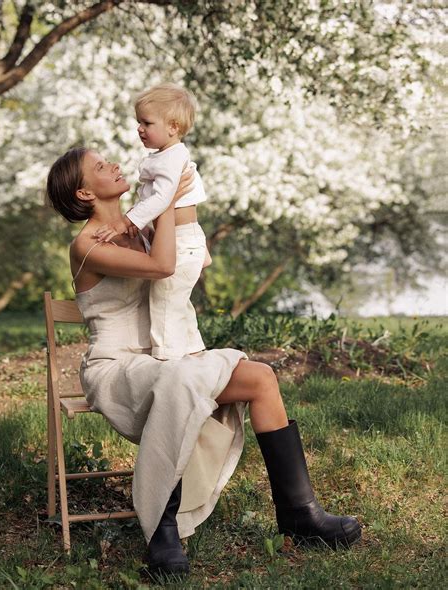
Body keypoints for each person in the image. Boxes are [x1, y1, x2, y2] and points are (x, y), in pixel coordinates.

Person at [46, 147, 361, 577]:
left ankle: (299, 515)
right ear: (84, 192)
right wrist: (169, 198)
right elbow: (163, 266)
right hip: (116, 368)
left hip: (167, 358)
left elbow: (199, 259)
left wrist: (172, 206)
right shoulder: (86, 244)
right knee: (179, 378)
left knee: (261, 378)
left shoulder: (136, 229)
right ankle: (162, 529)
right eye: (101, 167)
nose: (115, 165)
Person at [93, 83, 211, 361]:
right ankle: (195, 355)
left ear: (172, 127)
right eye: (138, 122)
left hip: (181, 241)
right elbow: (156, 199)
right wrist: (141, 222)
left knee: (164, 305)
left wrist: (125, 221)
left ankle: (166, 362)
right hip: (182, 239)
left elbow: (163, 199)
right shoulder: (165, 156)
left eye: (147, 122)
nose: (139, 128)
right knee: (176, 303)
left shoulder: (173, 157)